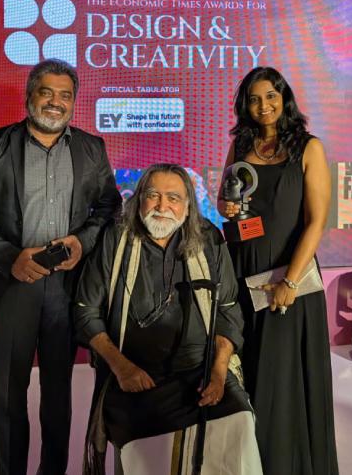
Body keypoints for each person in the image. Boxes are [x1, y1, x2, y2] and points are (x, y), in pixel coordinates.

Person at [0, 58, 121, 475]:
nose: (55, 102)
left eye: (65, 95)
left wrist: (82, 242)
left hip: (66, 287)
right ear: (30, 96)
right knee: (11, 393)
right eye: (47, 92)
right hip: (12, 285)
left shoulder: (91, 148)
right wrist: (12, 258)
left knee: (58, 392)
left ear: (74, 102)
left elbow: (108, 207)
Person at [75, 164, 262, 475]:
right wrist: (122, 368)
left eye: (173, 198)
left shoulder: (208, 238)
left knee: (239, 420)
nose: (162, 206)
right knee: (147, 448)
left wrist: (218, 373)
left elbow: (228, 311)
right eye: (153, 196)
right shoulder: (116, 238)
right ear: (139, 200)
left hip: (200, 370)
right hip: (135, 373)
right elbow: (85, 312)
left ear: (188, 206)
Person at [218, 66, 338, 474]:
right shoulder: (241, 145)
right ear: (245, 105)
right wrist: (227, 207)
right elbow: (224, 203)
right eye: (254, 99)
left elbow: (316, 222)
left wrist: (290, 280)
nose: (263, 105)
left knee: (281, 379)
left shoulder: (309, 148)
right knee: (248, 371)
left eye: (271, 96)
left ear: (284, 98)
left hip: (287, 280)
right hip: (243, 272)